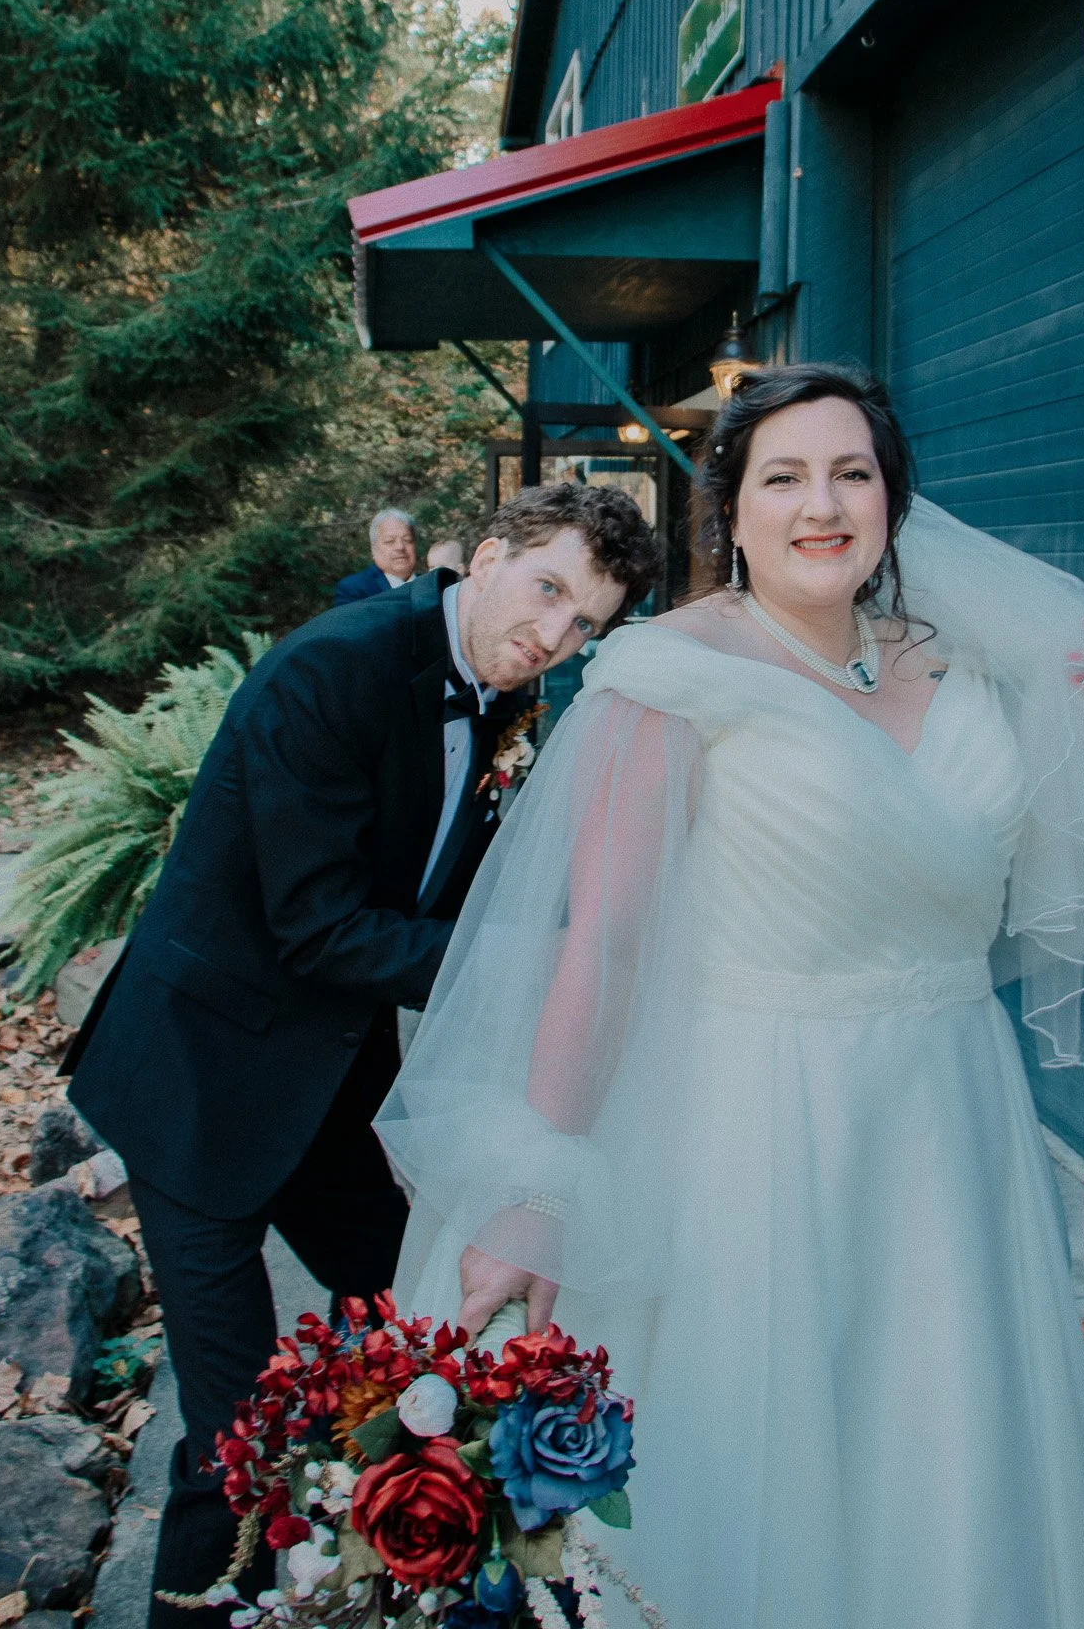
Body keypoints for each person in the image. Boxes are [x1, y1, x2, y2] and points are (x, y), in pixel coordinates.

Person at [380, 364, 1084, 1629]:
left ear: (892, 500)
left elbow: (1024, 891)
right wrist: (541, 1182)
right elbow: (601, 944)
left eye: (851, 472)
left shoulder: (971, 664)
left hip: (952, 1127)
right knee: (773, 1476)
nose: (821, 503)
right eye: (784, 475)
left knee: (942, 1456)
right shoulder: (670, 676)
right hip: (757, 1129)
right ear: (733, 508)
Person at [62, 483, 663, 1629]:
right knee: (234, 1441)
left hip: (326, 1090)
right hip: (197, 1082)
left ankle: (387, 1577)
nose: (553, 635)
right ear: (487, 556)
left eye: (585, 623)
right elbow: (321, 925)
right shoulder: (331, 670)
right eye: (547, 591)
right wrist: (550, 960)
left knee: (426, 1328)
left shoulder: (500, 692)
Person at [332, 506, 418, 606]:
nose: (400, 547)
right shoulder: (353, 589)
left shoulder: (434, 584)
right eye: (390, 541)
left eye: (407, 540)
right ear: (374, 549)